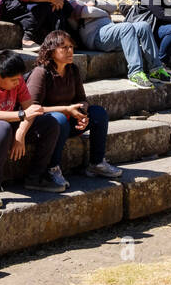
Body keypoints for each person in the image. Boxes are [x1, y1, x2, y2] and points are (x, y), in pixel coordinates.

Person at [0, 50, 65, 209]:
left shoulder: (16, 79)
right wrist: (22, 115)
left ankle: (35, 177)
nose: (18, 82)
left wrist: (20, 133)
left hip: (6, 125)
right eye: (13, 80)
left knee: (50, 123)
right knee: (1, 128)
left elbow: (30, 111)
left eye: (18, 79)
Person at [27, 31, 122, 182]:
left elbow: (82, 99)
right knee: (59, 119)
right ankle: (52, 169)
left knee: (98, 113)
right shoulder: (40, 73)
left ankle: (96, 163)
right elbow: (31, 109)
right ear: (51, 51)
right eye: (64, 47)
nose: (70, 51)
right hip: (45, 126)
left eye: (71, 46)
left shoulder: (73, 70)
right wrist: (65, 109)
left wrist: (82, 113)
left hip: (68, 121)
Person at [65, 0, 168, 89]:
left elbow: (113, 6)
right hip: (96, 37)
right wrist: (104, 13)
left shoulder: (92, 1)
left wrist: (96, 3)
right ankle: (135, 73)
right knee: (126, 27)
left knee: (143, 26)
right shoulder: (72, 3)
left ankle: (156, 69)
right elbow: (87, 12)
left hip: (110, 32)